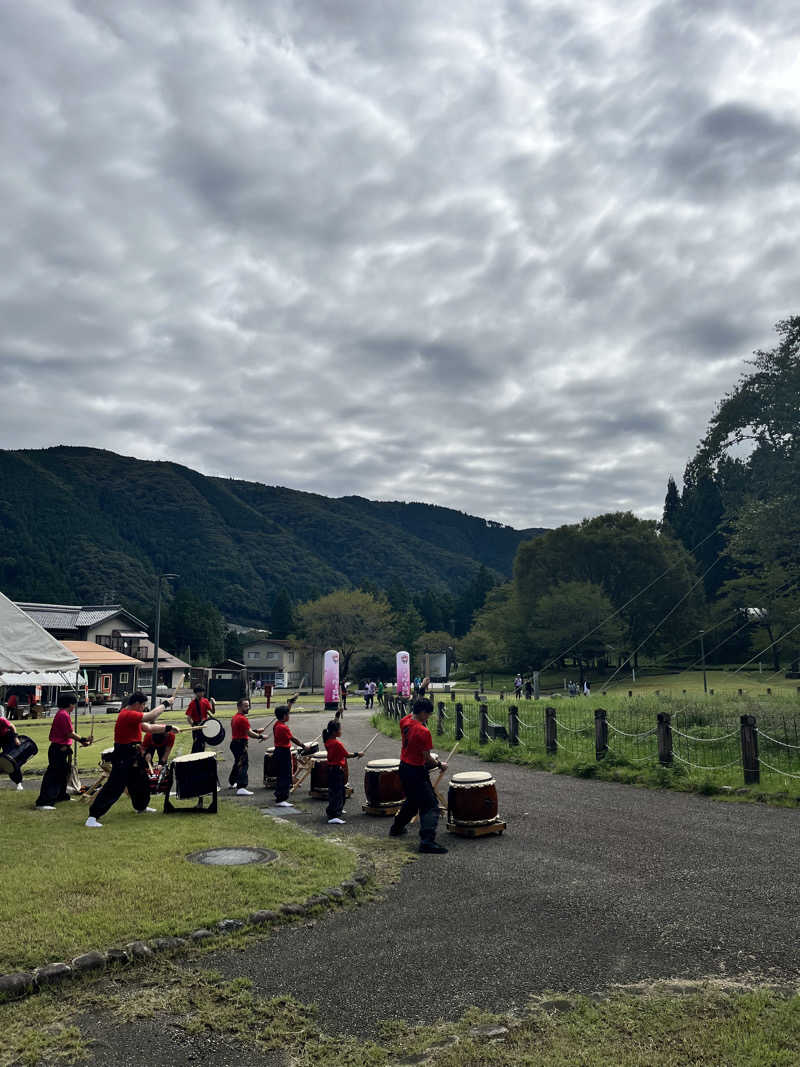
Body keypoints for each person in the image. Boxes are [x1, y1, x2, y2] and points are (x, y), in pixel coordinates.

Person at [85, 691, 173, 828]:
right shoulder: (127, 714)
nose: (144, 707)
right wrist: (166, 704)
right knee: (115, 786)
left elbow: (149, 728)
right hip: (124, 754)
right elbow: (152, 716)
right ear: (137, 704)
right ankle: (93, 817)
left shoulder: (133, 717)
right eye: (143, 704)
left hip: (134, 753)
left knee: (141, 782)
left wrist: (168, 728)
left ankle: (141, 807)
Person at [389, 697, 448, 853]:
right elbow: (428, 760)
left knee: (413, 802)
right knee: (431, 806)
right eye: (428, 714)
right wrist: (440, 764)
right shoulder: (423, 731)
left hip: (404, 767)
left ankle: (397, 827)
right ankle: (427, 842)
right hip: (416, 771)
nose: (428, 717)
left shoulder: (405, 721)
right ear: (422, 713)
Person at [35, 693, 90, 808]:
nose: (74, 707)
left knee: (62, 774)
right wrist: (83, 740)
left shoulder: (62, 714)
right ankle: (43, 802)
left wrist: (83, 740)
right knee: (54, 775)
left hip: (61, 749)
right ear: (70, 704)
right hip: (58, 749)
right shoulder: (63, 715)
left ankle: (61, 796)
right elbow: (69, 733)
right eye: (74, 704)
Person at [322, 718, 361, 824]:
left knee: (340, 791)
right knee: (336, 793)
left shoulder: (327, 741)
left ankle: (338, 809)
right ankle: (333, 815)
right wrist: (358, 754)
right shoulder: (337, 744)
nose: (341, 731)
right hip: (336, 770)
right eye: (340, 729)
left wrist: (337, 715)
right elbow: (347, 755)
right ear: (334, 732)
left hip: (332, 770)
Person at [272, 704, 309, 807]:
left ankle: (279, 796)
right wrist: (303, 746)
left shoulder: (276, 724)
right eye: (288, 714)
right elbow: (293, 739)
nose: (289, 716)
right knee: (286, 775)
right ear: (284, 716)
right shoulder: (283, 727)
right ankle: (281, 799)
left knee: (281, 775)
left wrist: (290, 704)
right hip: (283, 752)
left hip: (278, 751)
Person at [228, 697, 263, 796]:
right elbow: (249, 733)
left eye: (248, 706)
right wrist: (260, 736)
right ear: (239, 706)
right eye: (246, 706)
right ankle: (241, 787)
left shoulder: (235, 717)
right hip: (240, 744)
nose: (248, 708)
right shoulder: (243, 719)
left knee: (238, 763)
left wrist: (256, 731)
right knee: (243, 764)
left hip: (235, 743)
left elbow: (243, 731)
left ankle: (233, 781)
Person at [186, 685, 215, 753]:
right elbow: (188, 718)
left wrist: (213, 704)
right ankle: (193, 757)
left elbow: (212, 712)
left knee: (202, 743)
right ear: (196, 693)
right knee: (196, 743)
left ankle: (200, 758)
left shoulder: (205, 701)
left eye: (202, 692)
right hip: (196, 725)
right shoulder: (192, 703)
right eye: (200, 692)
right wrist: (193, 726)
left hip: (204, 724)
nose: (202, 693)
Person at [0, 712, 25, 790]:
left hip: (8, 738)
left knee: (11, 760)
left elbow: (12, 726)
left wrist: (15, 738)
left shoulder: (2, 719)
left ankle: (19, 783)